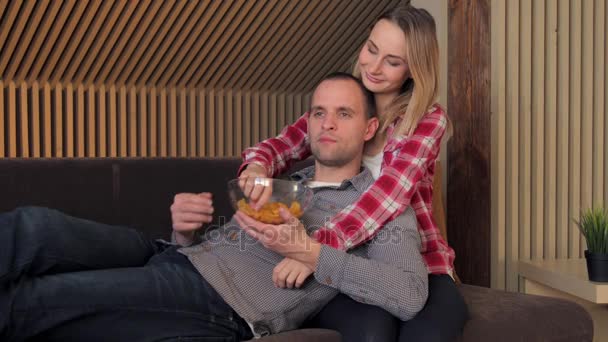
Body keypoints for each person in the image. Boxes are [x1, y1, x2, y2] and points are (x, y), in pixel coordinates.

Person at [0, 73, 428, 341]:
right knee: (33, 227)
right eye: (318, 112)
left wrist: (311, 253)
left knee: (32, 302)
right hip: (171, 255)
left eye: (343, 113)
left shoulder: (379, 206)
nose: (327, 123)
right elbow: (220, 245)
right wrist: (183, 232)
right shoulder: (284, 183)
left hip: (218, 301)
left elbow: (409, 294)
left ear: (370, 127)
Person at [237, 4, 468, 342]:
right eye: (371, 49)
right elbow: (279, 146)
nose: (373, 67)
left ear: (413, 70)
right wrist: (257, 165)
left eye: (392, 61)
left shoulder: (428, 120)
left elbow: (387, 197)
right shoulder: (346, 103)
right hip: (346, 263)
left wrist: (313, 250)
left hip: (412, 262)